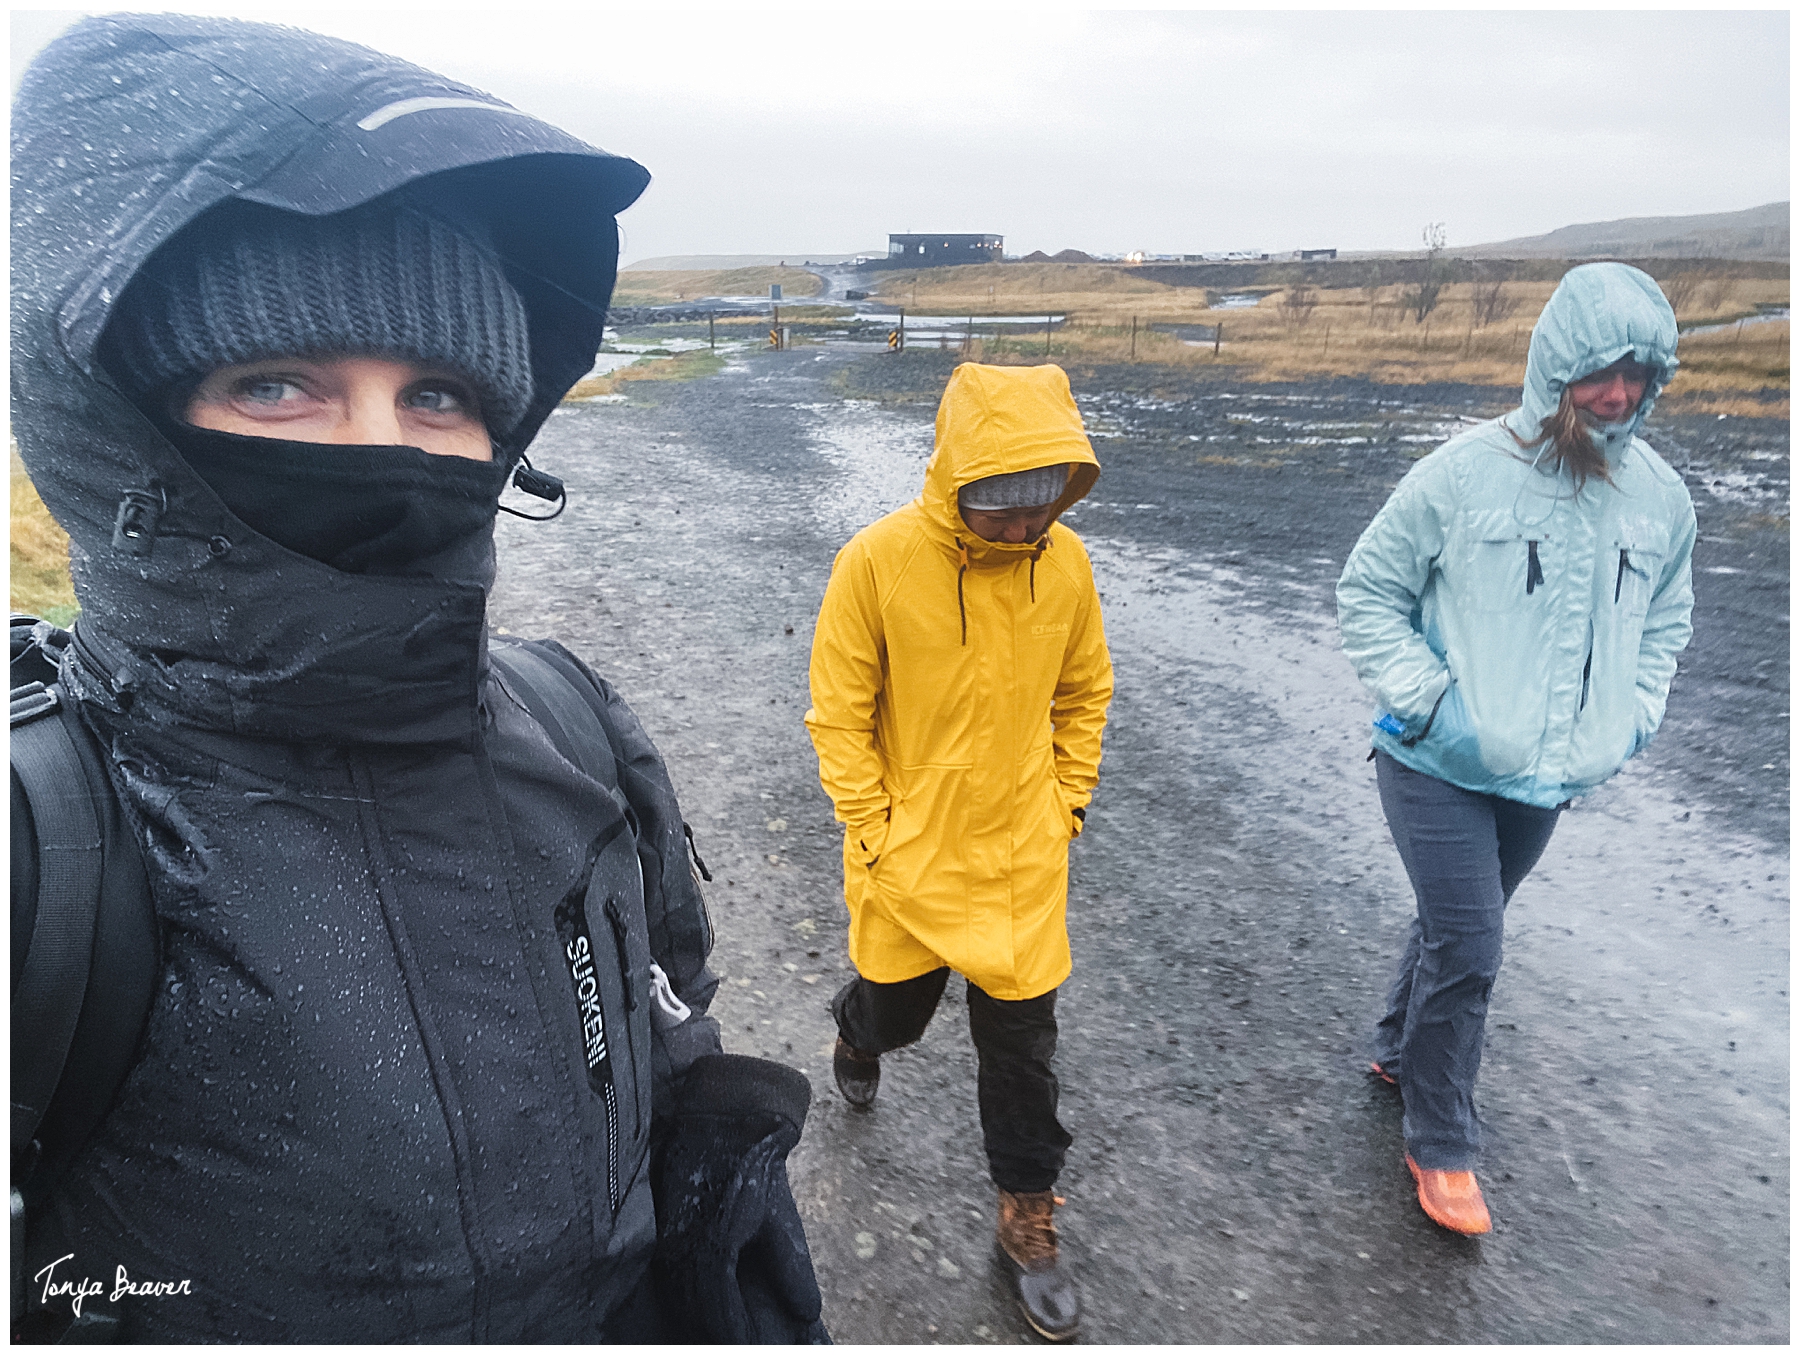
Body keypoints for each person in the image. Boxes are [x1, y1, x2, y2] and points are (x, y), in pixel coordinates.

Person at [11, 14, 824, 1342]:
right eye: (278, 383)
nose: (384, 450)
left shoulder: (573, 720)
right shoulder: (40, 853)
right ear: (115, 422)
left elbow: (669, 1015)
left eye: (441, 392)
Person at [1336, 262, 1696, 1236]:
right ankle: (1441, 1140)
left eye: (1636, 370)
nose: (1616, 390)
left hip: (1551, 771)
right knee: (1475, 941)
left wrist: (1629, 714)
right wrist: (1430, 698)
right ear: (1555, 366)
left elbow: (1666, 619)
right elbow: (1367, 592)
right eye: (1597, 369)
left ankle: (1396, 1049)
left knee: (1462, 922)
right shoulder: (1461, 474)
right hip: (1434, 757)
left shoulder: (1660, 499)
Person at [804, 362, 1113, 1342]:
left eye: (1041, 508)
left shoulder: (1064, 566)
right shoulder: (877, 562)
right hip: (911, 859)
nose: (1026, 528)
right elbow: (838, 717)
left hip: (1021, 860)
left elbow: (1085, 692)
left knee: (1023, 1053)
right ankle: (858, 1027)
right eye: (1004, 508)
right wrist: (877, 830)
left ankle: (1026, 1214)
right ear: (959, 484)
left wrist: (1065, 800)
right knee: (898, 1012)